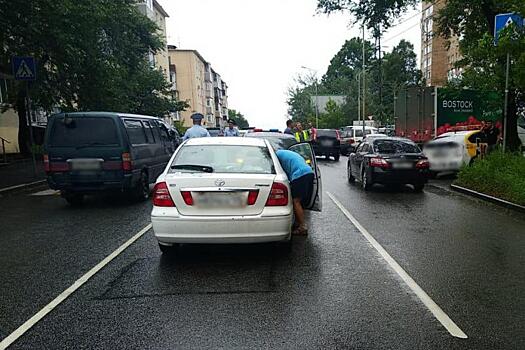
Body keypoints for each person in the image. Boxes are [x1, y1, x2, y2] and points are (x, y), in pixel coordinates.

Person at [275, 150, 314, 235]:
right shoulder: (285, 153)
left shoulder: (276, 156)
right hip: (309, 172)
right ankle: (297, 222)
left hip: (299, 174)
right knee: (301, 201)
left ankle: (302, 227)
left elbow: (280, 171)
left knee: (296, 201)